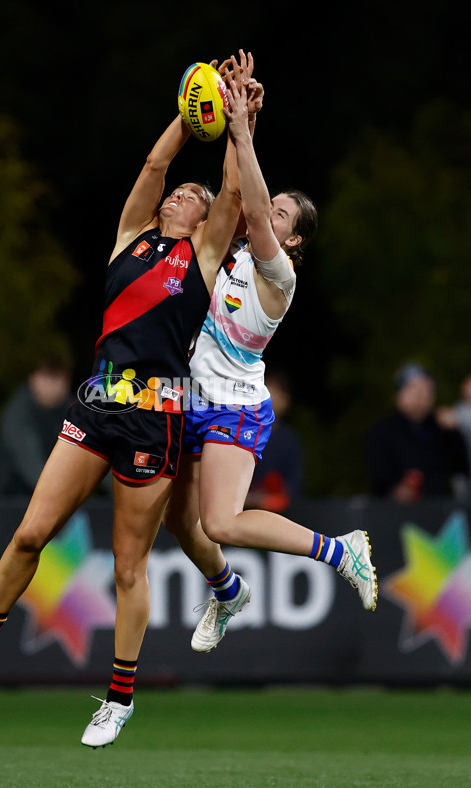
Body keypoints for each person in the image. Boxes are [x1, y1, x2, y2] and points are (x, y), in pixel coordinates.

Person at [0, 51, 254, 749]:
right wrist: (184, 115)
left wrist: (236, 123)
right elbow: (150, 169)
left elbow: (234, 200)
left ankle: (118, 698)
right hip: (95, 405)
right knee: (29, 533)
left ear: (205, 224)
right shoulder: (132, 240)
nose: (177, 197)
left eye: (189, 199)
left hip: (156, 416)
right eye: (177, 195)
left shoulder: (199, 260)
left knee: (127, 566)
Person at [164, 68, 377, 657]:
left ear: (295, 243)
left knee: (222, 524)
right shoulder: (231, 249)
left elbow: (252, 211)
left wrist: (242, 130)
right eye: (274, 207)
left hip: (234, 406)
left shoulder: (277, 278)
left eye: (284, 216)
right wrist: (242, 117)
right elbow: (238, 196)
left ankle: (341, 550)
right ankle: (227, 590)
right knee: (180, 523)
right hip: (192, 399)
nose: (270, 214)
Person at [367, 361, 469, 502]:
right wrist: (396, 490)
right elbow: (378, 478)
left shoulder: (442, 429)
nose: (420, 395)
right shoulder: (383, 431)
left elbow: (461, 469)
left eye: (426, 389)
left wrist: (454, 432)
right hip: (396, 513)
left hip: (441, 511)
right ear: (398, 395)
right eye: (413, 388)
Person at [0, 354, 74, 497]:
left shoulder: (74, 411)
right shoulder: (18, 411)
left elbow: (93, 454)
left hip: (56, 499)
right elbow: (31, 464)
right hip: (9, 503)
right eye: (46, 377)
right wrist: (66, 494)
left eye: (57, 378)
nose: (51, 386)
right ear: (32, 379)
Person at [244, 369, 304, 512]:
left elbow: (293, 486)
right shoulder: (242, 431)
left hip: (276, 512)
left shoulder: (288, 440)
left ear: (286, 401)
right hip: (237, 506)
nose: (271, 400)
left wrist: (270, 499)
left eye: (277, 395)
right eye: (266, 393)